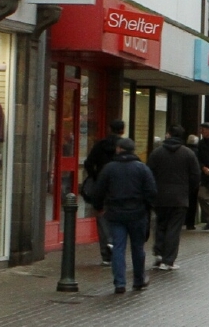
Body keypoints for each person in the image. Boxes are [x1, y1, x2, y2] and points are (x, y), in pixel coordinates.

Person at [87, 138, 155, 294]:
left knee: (118, 247)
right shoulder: (142, 168)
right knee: (138, 248)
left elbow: (98, 191)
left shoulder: (109, 169)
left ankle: (119, 283)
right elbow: (152, 191)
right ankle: (138, 280)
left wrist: (99, 207)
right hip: (137, 214)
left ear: (119, 149)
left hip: (116, 214)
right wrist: (146, 207)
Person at [147, 133, 201, 268]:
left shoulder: (157, 153)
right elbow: (196, 175)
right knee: (174, 228)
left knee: (160, 225)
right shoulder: (188, 153)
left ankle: (159, 253)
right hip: (180, 198)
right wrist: (187, 190)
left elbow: (148, 174)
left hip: (160, 196)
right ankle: (168, 260)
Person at [83, 122, 127, 265]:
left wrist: (96, 177)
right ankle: (116, 248)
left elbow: (89, 163)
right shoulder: (125, 146)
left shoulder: (100, 145)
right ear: (123, 130)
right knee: (119, 219)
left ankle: (106, 253)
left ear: (110, 129)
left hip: (102, 187)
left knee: (102, 218)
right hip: (120, 188)